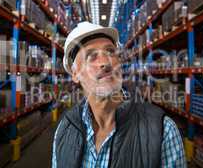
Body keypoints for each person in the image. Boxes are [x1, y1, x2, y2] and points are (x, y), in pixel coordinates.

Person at [51, 21, 186, 168]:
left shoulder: (163, 132)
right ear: (75, 74)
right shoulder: (65, 130)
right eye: (91, 56)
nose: (105, 62)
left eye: (110, 51)